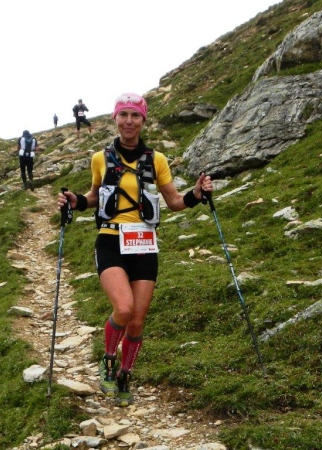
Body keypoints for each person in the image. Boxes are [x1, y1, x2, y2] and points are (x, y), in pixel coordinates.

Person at [58, 93, 213, 407]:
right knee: (124, 309)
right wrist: (76, 200)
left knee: (138, 321)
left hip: (144, 243)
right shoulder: (100, 158)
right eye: (123, 114)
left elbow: (174, 201)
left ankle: (125, 373)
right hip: (110, 240)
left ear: (143, 120)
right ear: (115, 119)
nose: (129, 121)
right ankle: (108, 359)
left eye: (135, 115)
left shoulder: (157, 160)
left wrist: (196, 194)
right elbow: (94, 196)